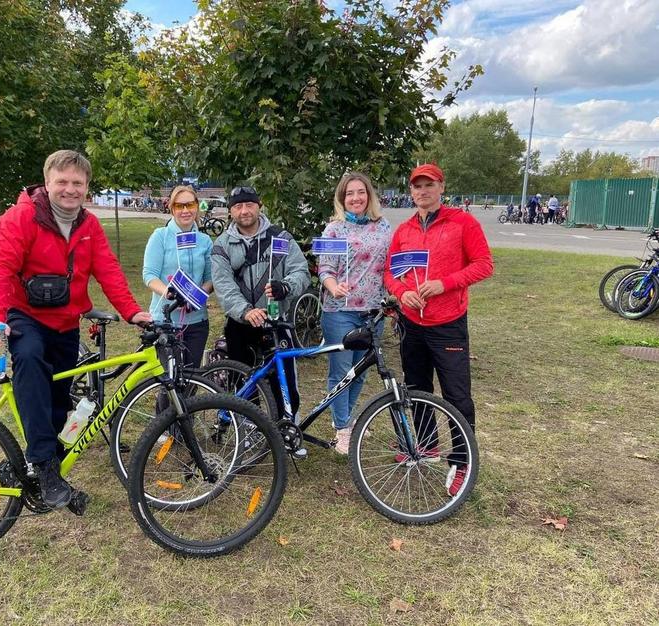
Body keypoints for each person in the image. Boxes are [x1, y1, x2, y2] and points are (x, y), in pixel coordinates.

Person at [0, 149, 152, 510]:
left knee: (59, 402)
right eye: (63, 181)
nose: (70, 189)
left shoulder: (88, 225)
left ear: (87, 187)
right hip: (24, 315)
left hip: (65, 321)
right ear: (47, 183)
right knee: (28, 359)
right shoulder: (21, 218)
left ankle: (29, 468)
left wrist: (133, 311)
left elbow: (108, 270)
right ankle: (43, 465)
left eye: (78, 183)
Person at [384, 163, 493, 497]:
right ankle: (427, 445)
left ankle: (461, 462)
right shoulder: (404, 230)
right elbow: (390, 272)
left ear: (441, 187)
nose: (422, 191)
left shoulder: (462, 222)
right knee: (417, 388)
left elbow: (484, 265)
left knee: (457, 397)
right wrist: (402, 293)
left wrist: (444, 284)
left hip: (448, 325)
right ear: (411, 192)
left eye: (429, 185)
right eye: (417, 186)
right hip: (411, 324)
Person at [211, 186, 310, 425]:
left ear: (259, 206)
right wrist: (245, 311)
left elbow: (301, 271)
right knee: (241, 381)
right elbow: (223, 285)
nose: (244, 211)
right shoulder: (222, 245)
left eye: (249, 204)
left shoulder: (281, 238)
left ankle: (287, 427)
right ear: (231, 211)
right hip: (240, 323)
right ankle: (246, 427)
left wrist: (285, 286)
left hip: (275, 322)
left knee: (283, 381)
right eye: (237, 206)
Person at [318, 172, 392, 454]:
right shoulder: (334, 230)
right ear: (342, 198)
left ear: (369, 195)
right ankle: (342, 428)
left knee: (359, 372)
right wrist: (333, 285)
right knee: (341, 372)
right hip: (340, 311)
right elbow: (325, 268)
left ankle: (347, 420)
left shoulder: (383, 226)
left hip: (373, 312)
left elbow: (390, 264)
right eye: (349, 194)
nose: (356, 198)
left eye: (360, 192)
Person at [143, 184, 213, 370]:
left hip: (197, 321)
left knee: (190, 378)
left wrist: (195, 296)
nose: (185, 210)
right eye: (179, 206)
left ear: (197, 206)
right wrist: (169, 293)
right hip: (165, 320)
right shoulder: (160, 236)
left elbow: (210, 278)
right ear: (172, 208)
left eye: (190, 205)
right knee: (169, 383)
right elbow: (149, 275)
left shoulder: (205, 241)